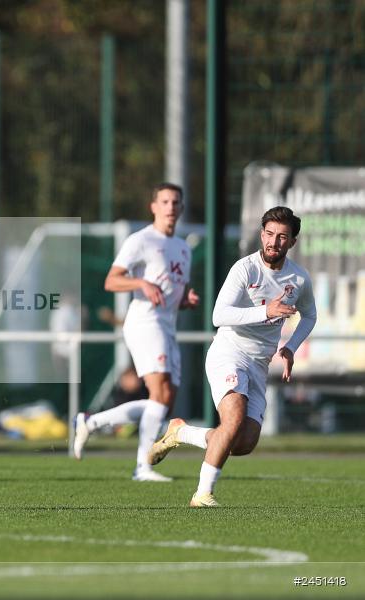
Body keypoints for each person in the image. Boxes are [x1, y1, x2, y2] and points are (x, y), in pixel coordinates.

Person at [148, 206, 316, 507]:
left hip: (259, 365)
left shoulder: (299, 279)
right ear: (261, 234)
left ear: (291, 242)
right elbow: (218, 314)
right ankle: (203, 494)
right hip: (229, 352)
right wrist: (266, 310)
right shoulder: (245, 268)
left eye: (281, 237)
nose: (273, 242)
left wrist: (290, 347)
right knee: (233, 418)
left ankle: (180, 432)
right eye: (268, 234)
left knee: (242, 443)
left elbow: (309, 316)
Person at [72, 183, 199, 482]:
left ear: (181, 209)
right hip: (144, 322)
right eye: (164, 201)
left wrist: (185, 300)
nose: (170, 207)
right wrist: (140, 283)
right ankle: (143, 467)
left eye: (175, 202)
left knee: (165, 400)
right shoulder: (141, 240)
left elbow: (170, 294)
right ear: (153, 207)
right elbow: (112, 281)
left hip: (167, 326)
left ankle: (92, 422)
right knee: (159, 392)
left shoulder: (183, 248)